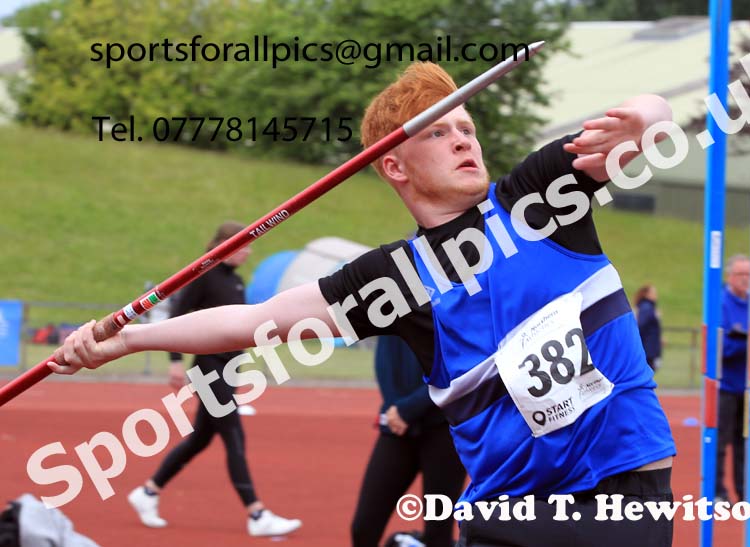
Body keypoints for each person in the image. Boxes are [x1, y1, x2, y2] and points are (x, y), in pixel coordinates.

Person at [50, 63, 677, 546]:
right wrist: (126, 338)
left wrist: (645, 119)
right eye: (439, 132)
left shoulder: (537, 203)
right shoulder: (398, 278)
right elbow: (249, 322)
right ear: (396, 167)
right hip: (505, 514)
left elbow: (646, 114)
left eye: (467, 127)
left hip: (619, 498)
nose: (464, 141)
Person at [125, 221, 301, 537]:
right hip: (208, 370)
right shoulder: (202, 274)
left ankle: (148, 492)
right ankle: (256, 514)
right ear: (225, 245)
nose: (248, 252)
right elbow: (176, 316)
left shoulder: (234, 281)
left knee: (201, 438)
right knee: (234, 436)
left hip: (227, 369)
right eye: (244, 246)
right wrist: (175, 362)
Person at [352, 335, 466, 547]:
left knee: (437, 535)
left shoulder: (452, 303)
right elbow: (385, 359)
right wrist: (392, 407)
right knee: (363, 527)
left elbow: (460, 366)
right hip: (398, 427)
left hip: (444, 430)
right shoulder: (391, 304)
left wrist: (407, 409)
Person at [715, 255, 750, 504]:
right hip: (726, 386)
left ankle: (745, 491)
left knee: (745, 442)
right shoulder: (721, 303)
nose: (746, 279)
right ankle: (717, 491)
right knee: (720, 439)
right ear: (730, 276)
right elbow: (722, 347)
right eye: (741, 274)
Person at [634, 285, 662, 372]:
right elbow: (641, 326)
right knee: (647, 372)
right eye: (653, 293)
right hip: (648, 349)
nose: (656, 295)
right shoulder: (647, 308)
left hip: (649, 347)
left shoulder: (648, 307)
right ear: (646, 294)